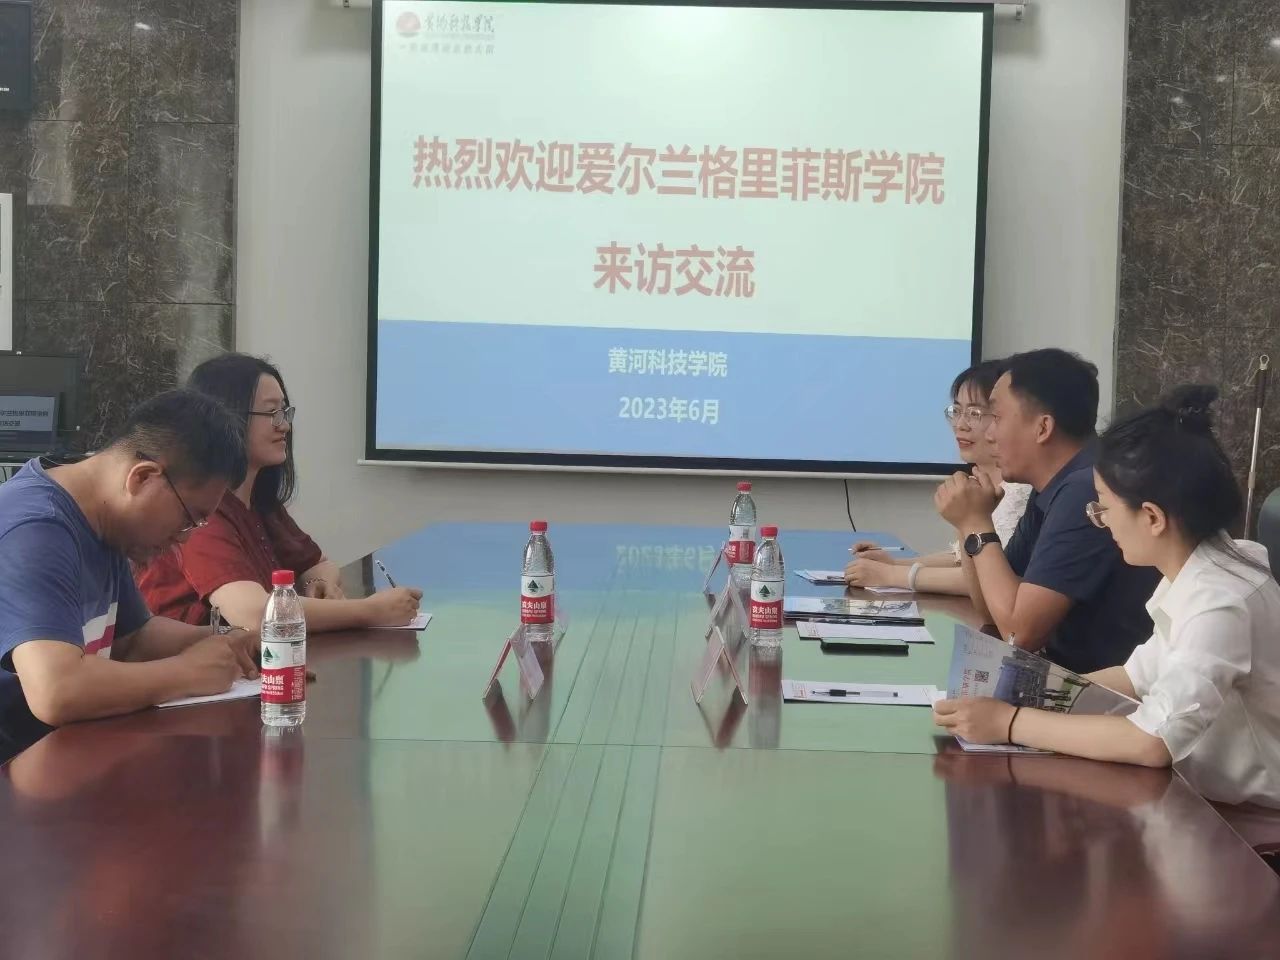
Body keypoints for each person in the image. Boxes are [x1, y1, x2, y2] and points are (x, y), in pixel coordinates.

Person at [934, 385, 1280, 809]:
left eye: (1103, 509)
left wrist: (1011, 722)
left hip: (1250, 825)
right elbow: (1133, 679)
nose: (1100, 521)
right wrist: (1017, 696)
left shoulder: (1220, 600)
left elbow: (1153, 740)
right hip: (1207, 801)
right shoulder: (1200, 570)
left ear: (1152, 517)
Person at [0, 391, 261, 762]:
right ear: (143, 477)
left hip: (60, 754)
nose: (184, 539)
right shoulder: (36, 529)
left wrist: (225, 640)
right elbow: (56, 691)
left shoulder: (103, 520)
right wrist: (186, 673)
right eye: (190, 518)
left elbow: (133, 638)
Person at [136, 354, 421, 631]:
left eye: (284, 412)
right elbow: (253, 613)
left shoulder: (260, 503)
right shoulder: (200, 510)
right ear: (225, 416)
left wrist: (316, 583)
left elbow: (319, 564)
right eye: (271, 413)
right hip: (197, 661)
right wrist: (371, 611)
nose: (284, 425)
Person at [935, 348, 1160, 674]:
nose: (989, 434)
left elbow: (1018, 634)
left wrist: (975, 523)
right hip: (1067, 676)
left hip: (1106, 691)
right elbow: (993, 614)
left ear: (1043, 428)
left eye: (996, 418)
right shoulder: (1052, 484)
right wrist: (967, 521)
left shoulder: (1086, 487)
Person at [845, 359, 1031, 595]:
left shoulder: (1021, 489)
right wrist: (894, 564)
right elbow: (963, 558)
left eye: (974, 413)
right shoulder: (981, 480)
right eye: (957, 411)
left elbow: (989, 579)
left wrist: (891, 575)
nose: (960, 425)